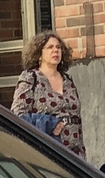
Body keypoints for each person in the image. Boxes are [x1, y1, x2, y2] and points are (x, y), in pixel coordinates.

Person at [9, 31, 84, 159]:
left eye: (58, 47)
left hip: (75, 151)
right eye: (50, 47)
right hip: (48, 150)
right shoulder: (31, 78)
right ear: (39, 54)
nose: (55, 50)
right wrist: (49, 123)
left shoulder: (68, 80)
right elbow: (17, 116)